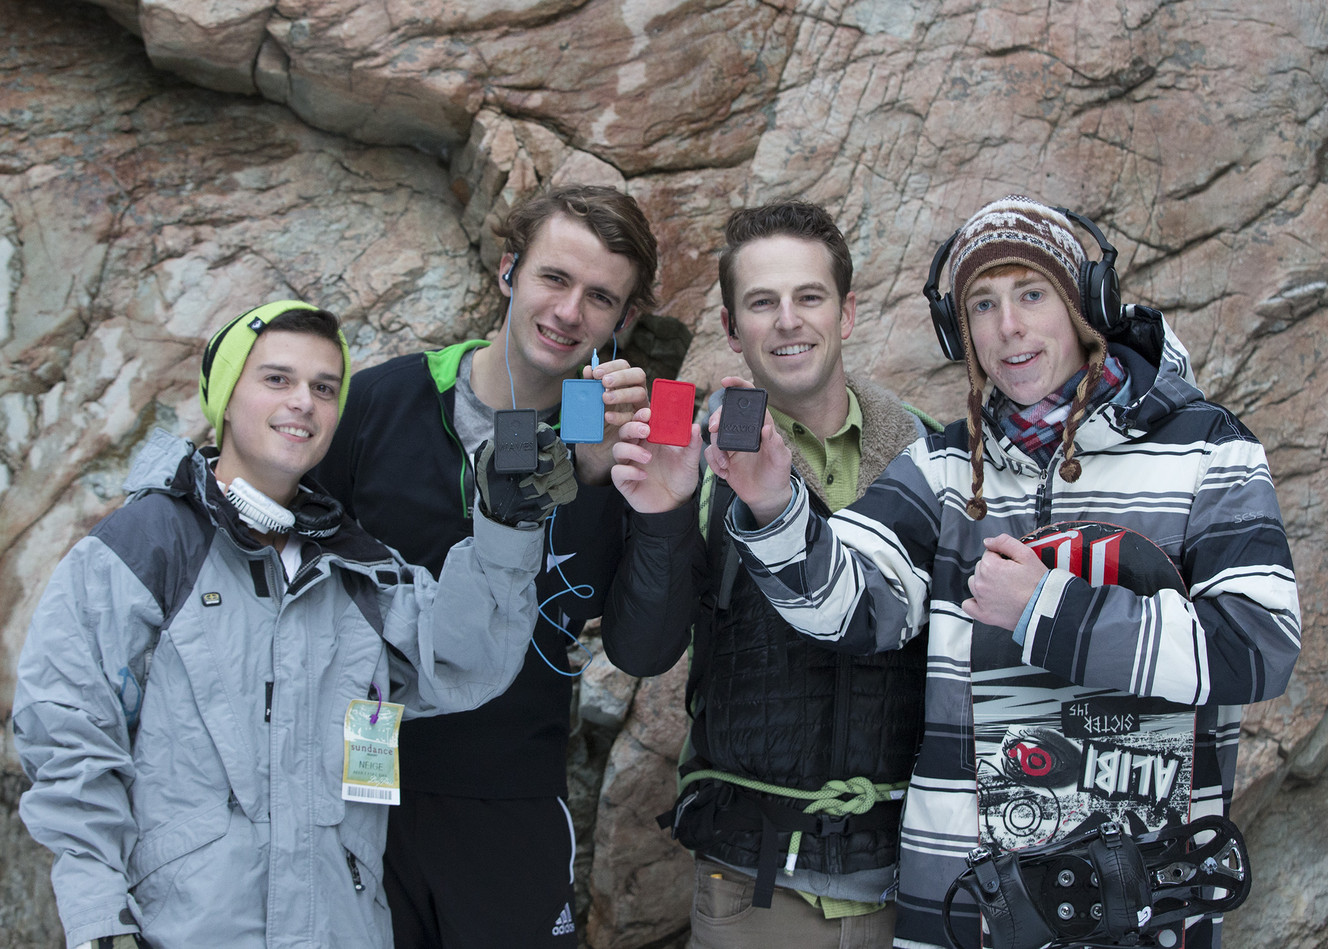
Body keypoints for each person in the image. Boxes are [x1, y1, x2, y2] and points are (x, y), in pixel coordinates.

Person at [705, 195, 1302, 949]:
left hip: (1143, 906)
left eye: (1031, 294)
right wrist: (773, 504)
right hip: (965, 910)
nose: (1008, 326)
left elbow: (1258, 645)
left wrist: (1046, 609)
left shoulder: (1208, 451)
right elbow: (846, 606)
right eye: (982, 305)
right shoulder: (941, 467)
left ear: (1085, 306)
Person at [12, 300, 577, 949]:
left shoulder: (358, 567)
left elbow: (464, 660)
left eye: (325, 387)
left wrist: (504, 528)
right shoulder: (145, 548)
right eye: (277, 378)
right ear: (226, 397)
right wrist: (98, 918)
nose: (304, 401)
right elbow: (69, 735)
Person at [312, 184, 658, 947]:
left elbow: (635, 631)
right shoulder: (383, 402)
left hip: (511, 792)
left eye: (600, 297)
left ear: (625, 321)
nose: (568, 311)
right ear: (508, 270)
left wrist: (631, 491)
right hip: (362, 784)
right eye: (553, 278)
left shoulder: (611, 447)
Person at [602, 200, 939, 948]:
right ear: (731, 328)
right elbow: (642, 651)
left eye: (809, 296)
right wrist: (662, 516)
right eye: (762, 302)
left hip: (918, 881)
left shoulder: (931, 452)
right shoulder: (686, 452)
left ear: (847, 312)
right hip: (757, 887)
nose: (788, 320)